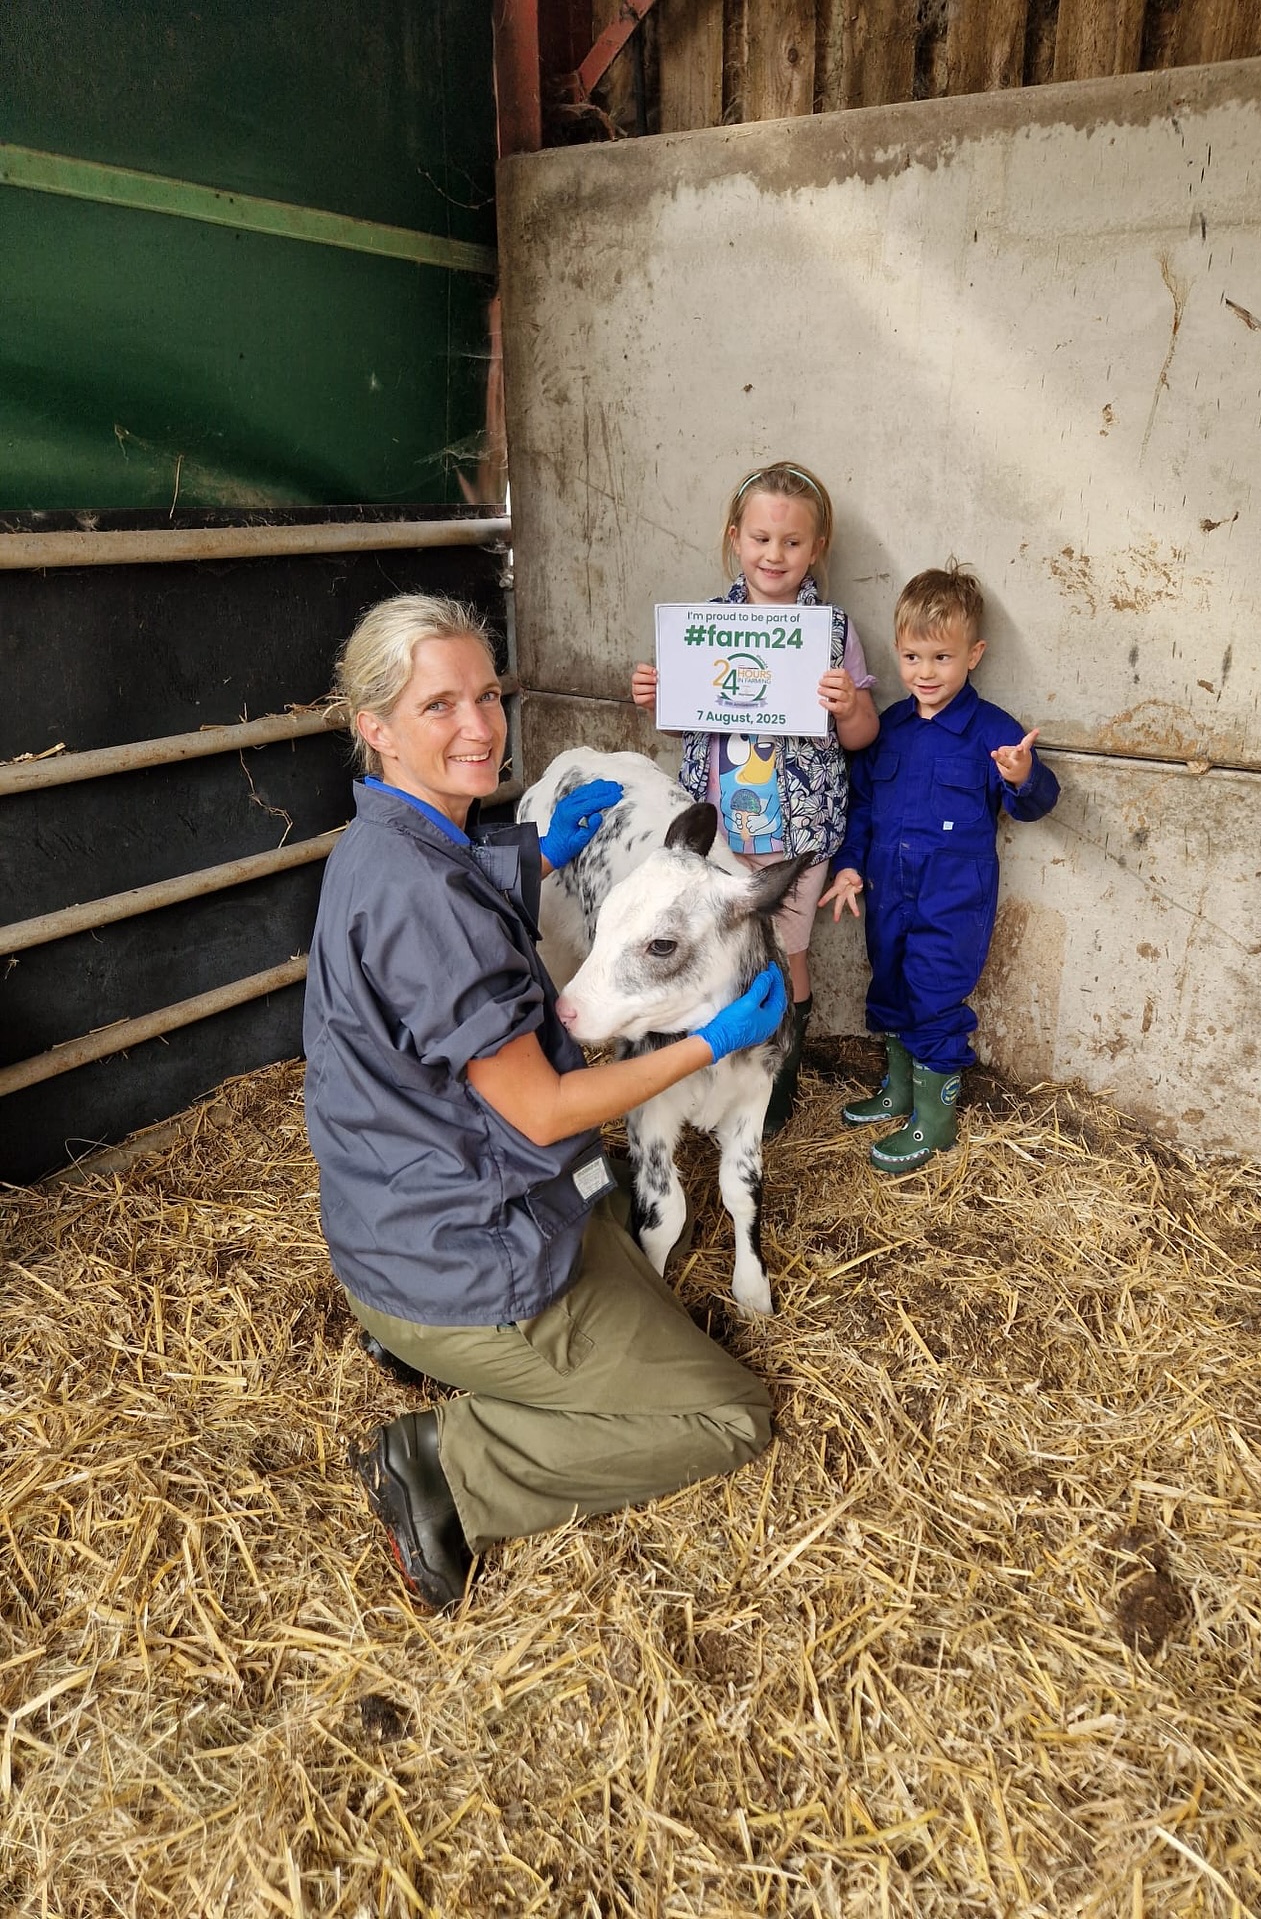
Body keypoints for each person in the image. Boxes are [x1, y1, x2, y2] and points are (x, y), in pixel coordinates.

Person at [303, 593, 787, 1612]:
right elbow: (544, 1111)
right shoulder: (422, 894)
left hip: (403, 1211)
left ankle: (427, 1345)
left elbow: (456, 905)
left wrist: (544, 857)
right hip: (455, 1249)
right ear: (374, 727)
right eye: (439, 707)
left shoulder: (398, 842)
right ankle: (447, 1468)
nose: (480, 727)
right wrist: (712, 1040)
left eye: (487, 694)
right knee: (730, 1416)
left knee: (621, 1233)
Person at [631, 461, 879, 1136]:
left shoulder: (832, 631)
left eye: (792, 542)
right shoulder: (703, 625)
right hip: (717, 832)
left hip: (794, 836)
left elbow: (862, 736)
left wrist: (851, 704)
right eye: (762, 539)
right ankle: (711, 1074)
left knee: (784, 954)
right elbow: (688, 722)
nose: (776, 554)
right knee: (708, 949)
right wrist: (658, 698)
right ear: (735, 538)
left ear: (816, 548)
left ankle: (777, 1079)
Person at [819, 566, 1060, 1173]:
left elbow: (1035, 804)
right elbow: (864, 806)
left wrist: (1022, 777)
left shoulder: (994, 732)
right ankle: (900, 1090)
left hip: (952, 903)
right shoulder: (890, 728)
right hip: (889, 894)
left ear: (974, 655)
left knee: (933, 997)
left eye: (942, 658)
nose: (925, 673)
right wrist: (849, 869)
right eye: (911, 656)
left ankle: (935, 1120)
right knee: (893, 984)